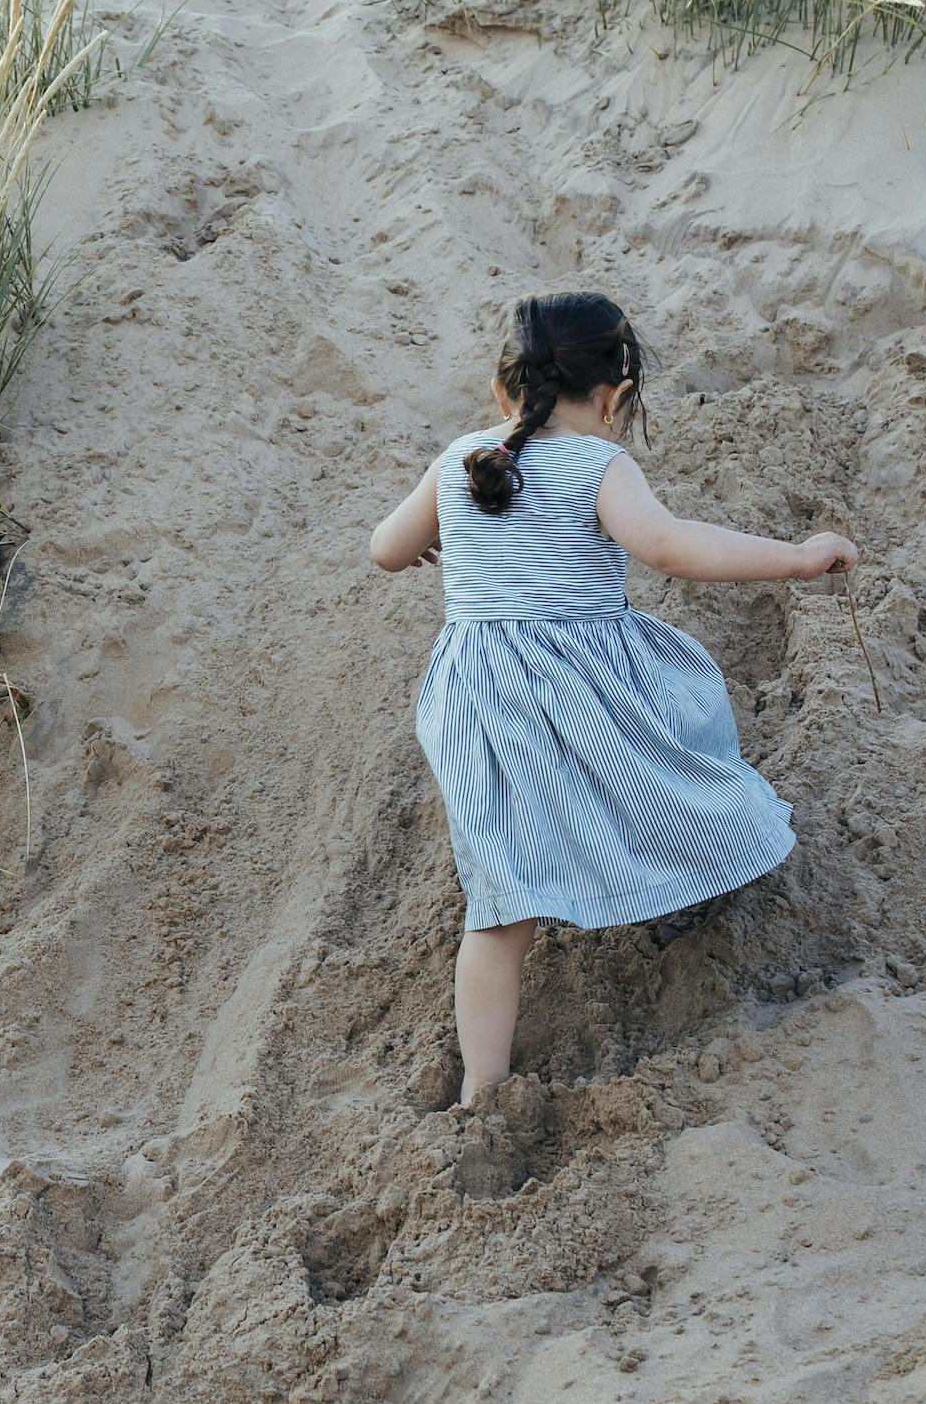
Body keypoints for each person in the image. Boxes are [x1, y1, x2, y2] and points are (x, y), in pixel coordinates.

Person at [366, 292, 855, 1108]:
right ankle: (678, 888)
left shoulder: (459, 461)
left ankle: (484, 1088)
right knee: (660, 769)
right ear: (616, 394)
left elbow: (386, 549)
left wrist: (435, 541)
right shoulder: (600, 464)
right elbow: (670, 547)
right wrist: (800, 557)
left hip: (477, 699)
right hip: (579, 683)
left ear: (506, 387)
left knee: (498, 901)